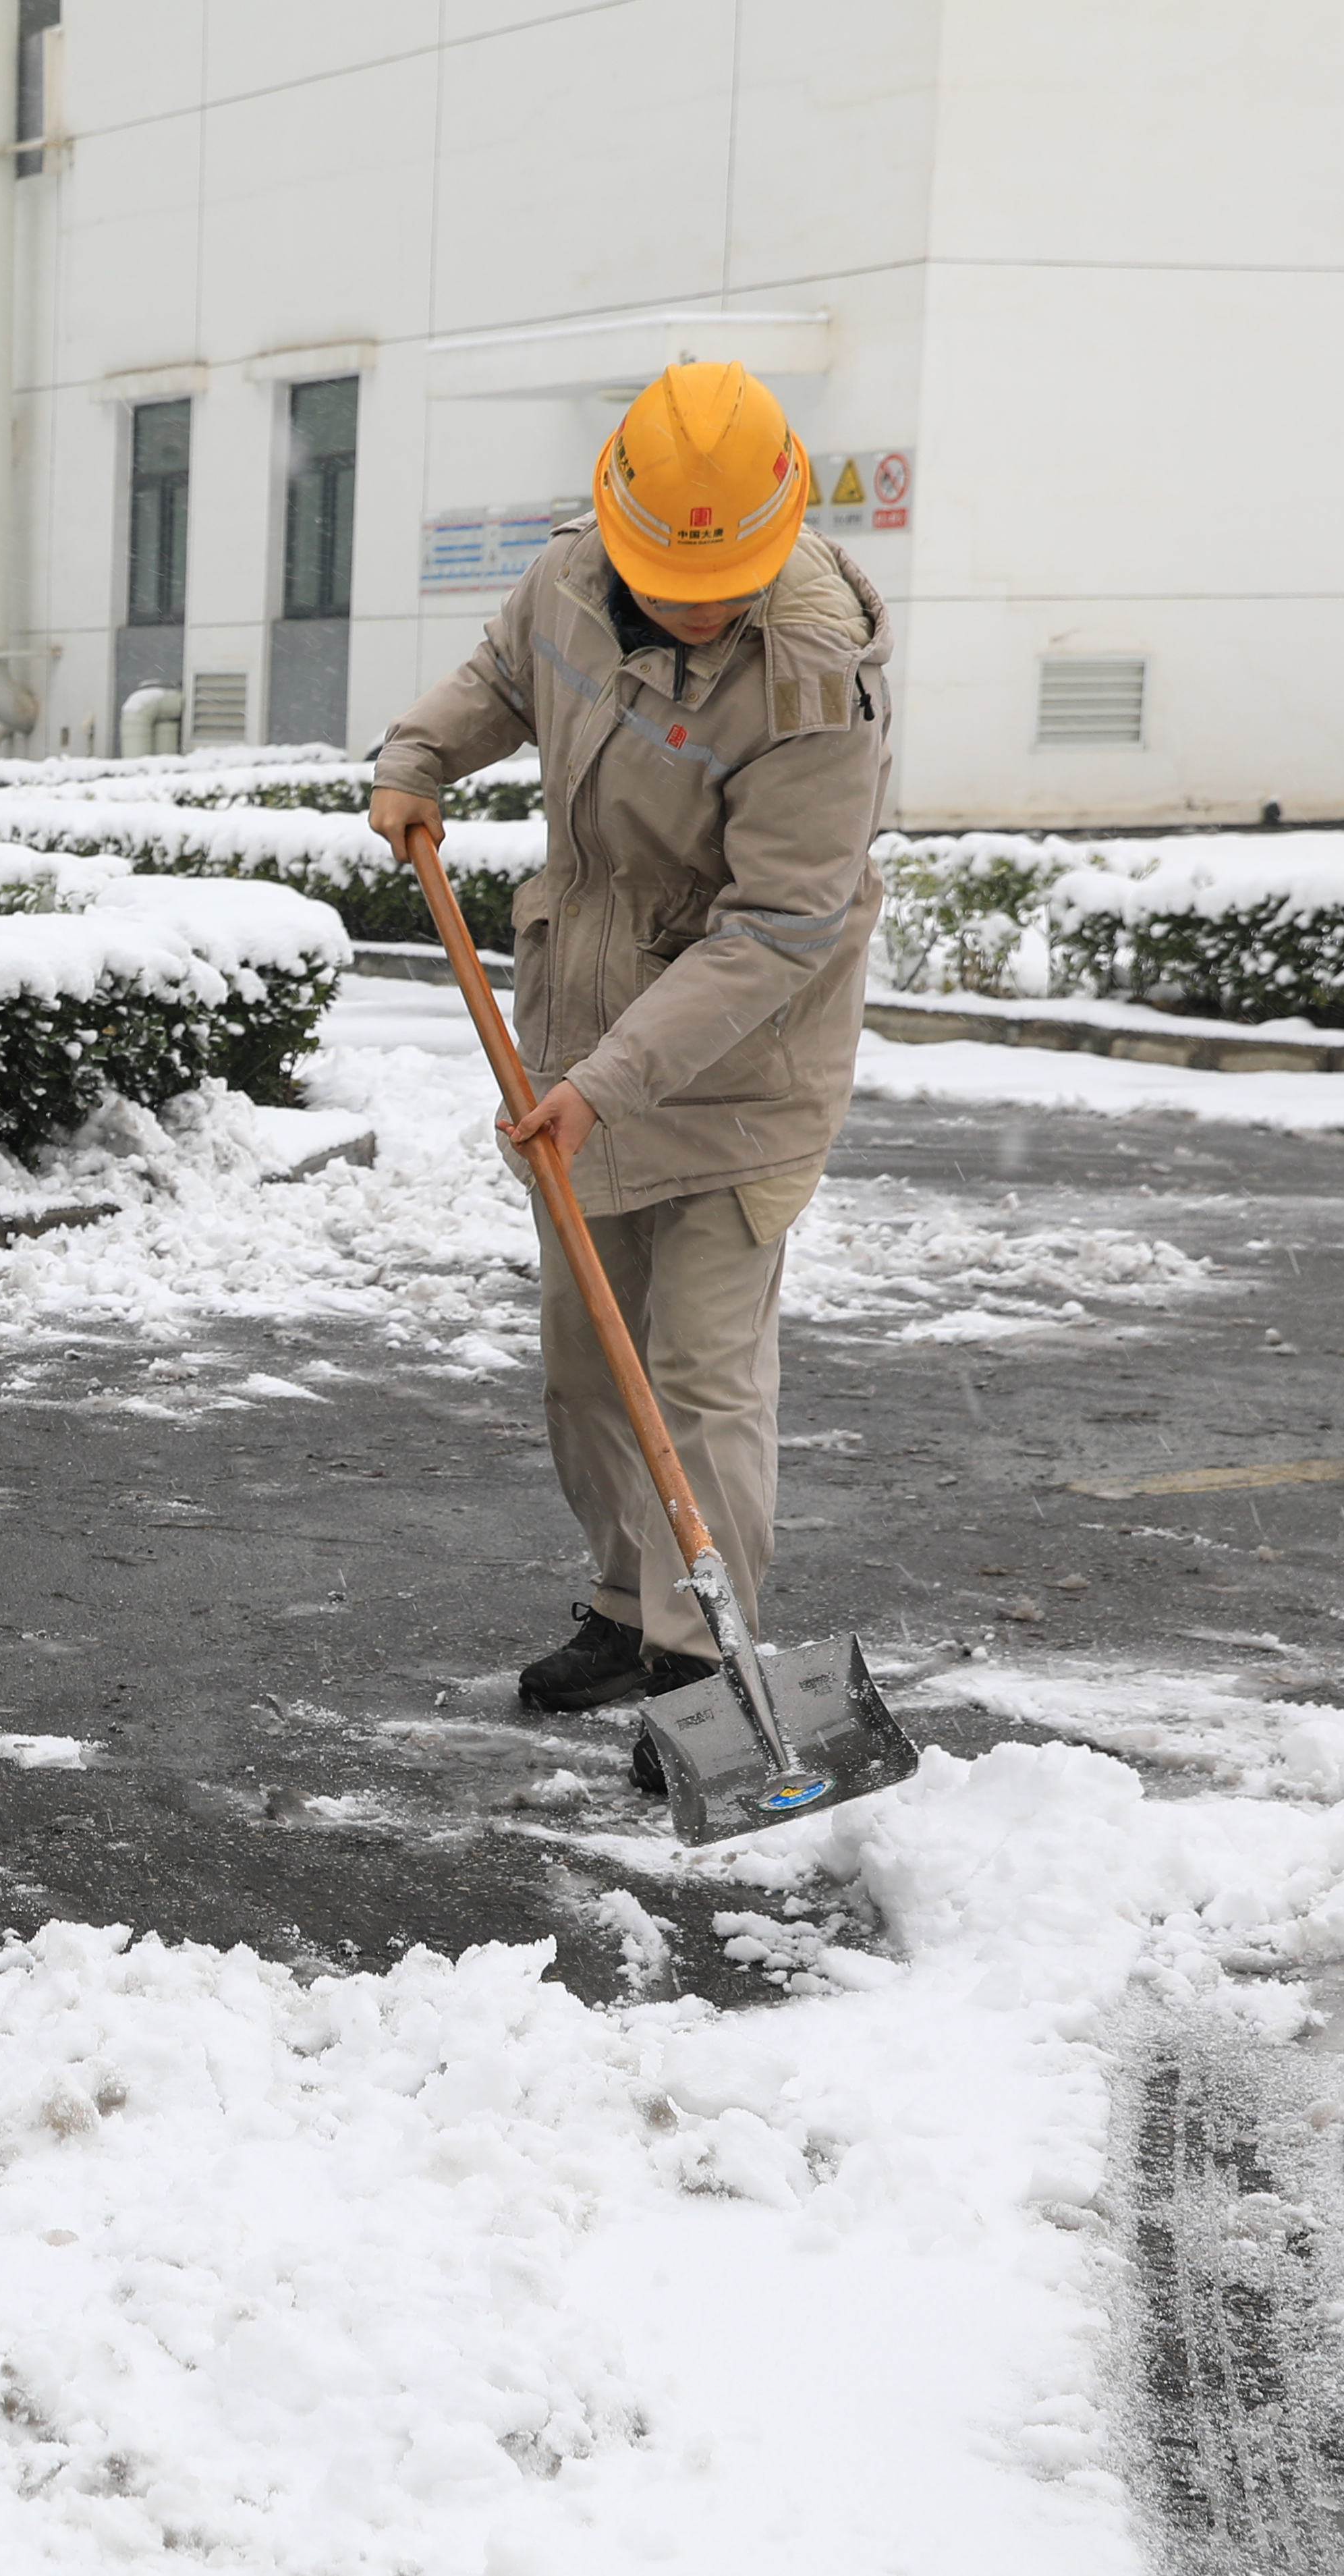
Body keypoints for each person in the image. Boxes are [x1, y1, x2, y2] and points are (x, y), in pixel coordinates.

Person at [368, 360, 894, 1716]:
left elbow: (778, 928)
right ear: (617, 522)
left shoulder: (812, 680)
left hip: (744, 1063)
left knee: (701, 1370)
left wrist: (604, 1083)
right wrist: (421, 756)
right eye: (668, 573)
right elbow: (504, 674)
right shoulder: (568, 578)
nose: (698, 602)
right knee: (587, 1354)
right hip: (581, 1024)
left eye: (724, 582)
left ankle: (702, 1659)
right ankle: (625, 1603)